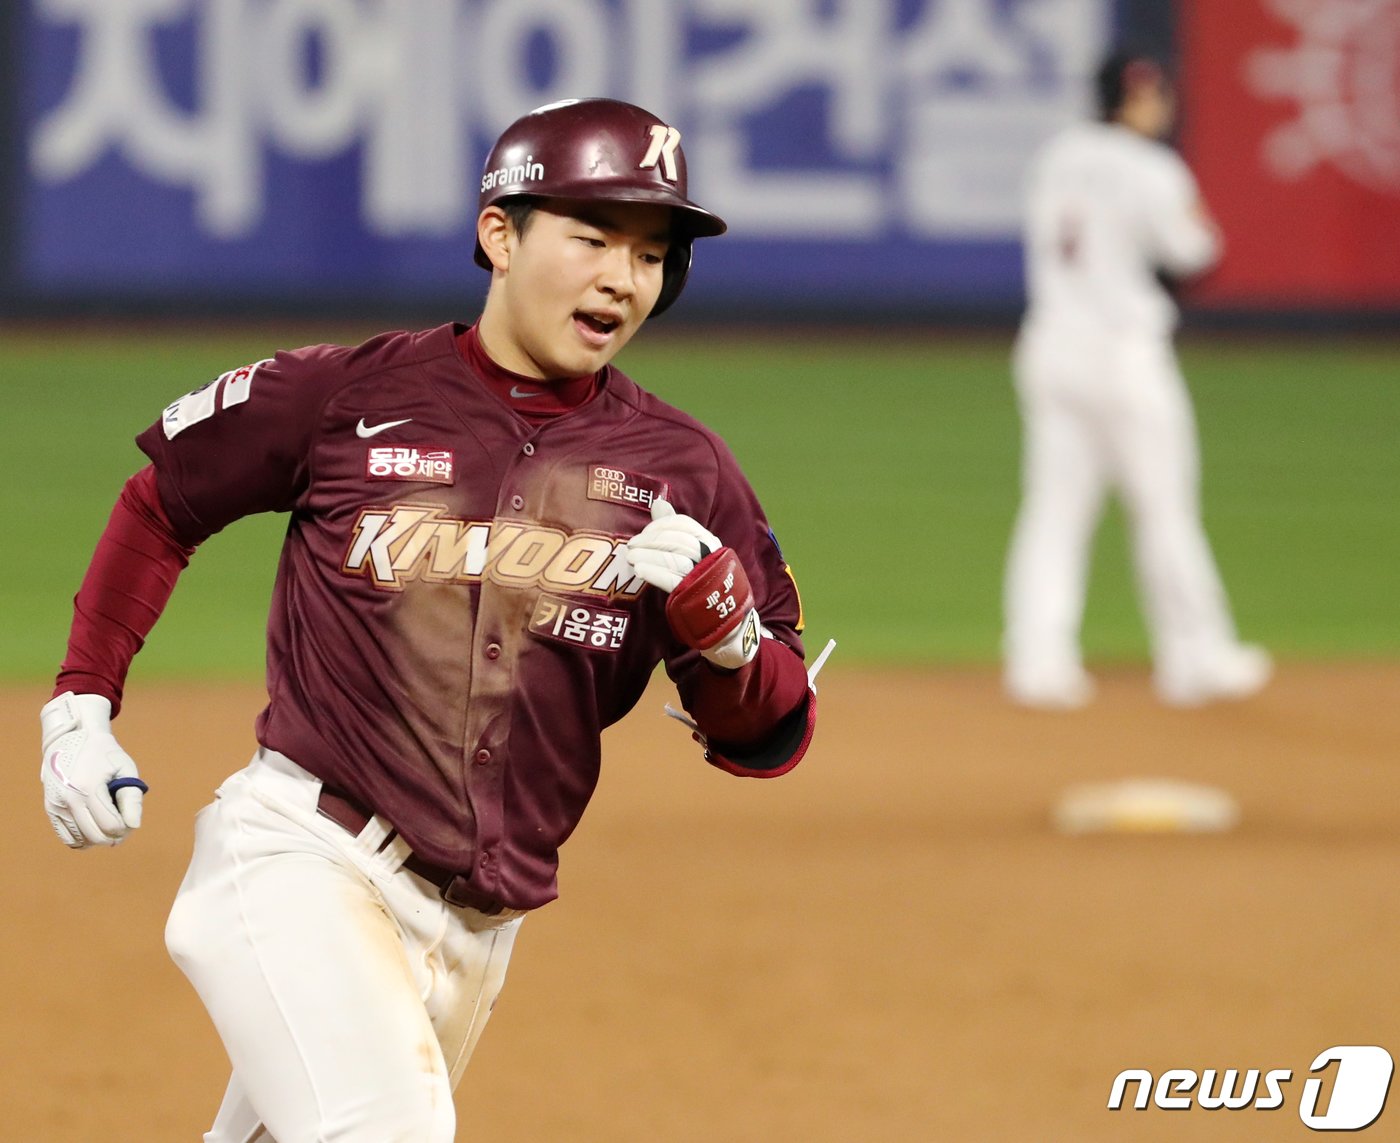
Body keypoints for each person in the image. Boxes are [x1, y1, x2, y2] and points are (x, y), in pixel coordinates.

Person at [38, 97, 820, 1142]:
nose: (621, 278)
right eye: (591, 239)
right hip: (298, 862)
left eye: (650, 253)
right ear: (499, 234)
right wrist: (80, 710)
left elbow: (769, 730)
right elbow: (160, 502)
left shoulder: (683, 471)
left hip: (476, 932)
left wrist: (726, 640)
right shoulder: (346, 396)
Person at [1001, 51, 1271, 709]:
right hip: (1123, 354)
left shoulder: (1057, 154)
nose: (1158, 105)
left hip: (1050, 345)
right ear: (1129, 101)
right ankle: (1196, 658)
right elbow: (1195, 252)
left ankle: (1039, 662)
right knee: (1165, 509)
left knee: (1054, 511)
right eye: (1148, 95)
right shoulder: (1153, 168)